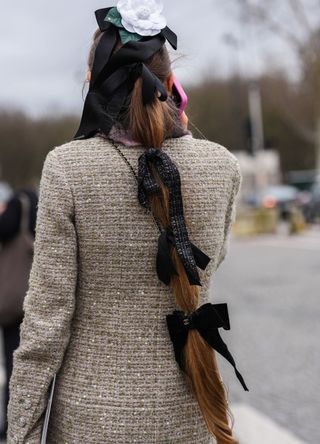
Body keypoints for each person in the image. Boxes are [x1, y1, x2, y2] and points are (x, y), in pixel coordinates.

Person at [7, 2, 248, 443]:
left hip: (91, 420)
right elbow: (209, 265)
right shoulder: (223, 166)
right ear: (170, 80)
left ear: (93, 79)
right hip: (190, 409)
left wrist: (21, 432)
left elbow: (46, 321)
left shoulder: (67, 168)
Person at [0, 188, 38, 440]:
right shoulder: (38, 201)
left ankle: (12, 419)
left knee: (14, 358)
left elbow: (5, 229)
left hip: (14, 301)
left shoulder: (17, 203)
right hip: (33, 294)